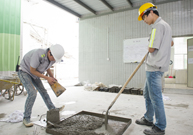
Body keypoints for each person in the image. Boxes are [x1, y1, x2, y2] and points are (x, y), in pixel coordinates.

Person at [135, 3, 172, 135]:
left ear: (150, 13)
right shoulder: (166, 26)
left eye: (144, 17)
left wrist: (149, 45)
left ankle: (160, 127)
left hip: (154, 68)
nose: (144, 21)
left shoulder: (157, 26)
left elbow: (151, 49)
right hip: (157, 67)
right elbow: (171, 42)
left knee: (156, 98)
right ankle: (148, 118)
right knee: (147, 94)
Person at [18, 44, 65, 127]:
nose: (54, 60)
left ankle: (52, 109)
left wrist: (51, 77)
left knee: (43, 91)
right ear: (49, 52)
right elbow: (32, 70)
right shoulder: (39, 54)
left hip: (35, 74)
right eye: (53, 58)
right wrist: (47, 78)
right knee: (32, 93)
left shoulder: (52, 58)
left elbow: (47, 67)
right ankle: (26, 117)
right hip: (25, 72)